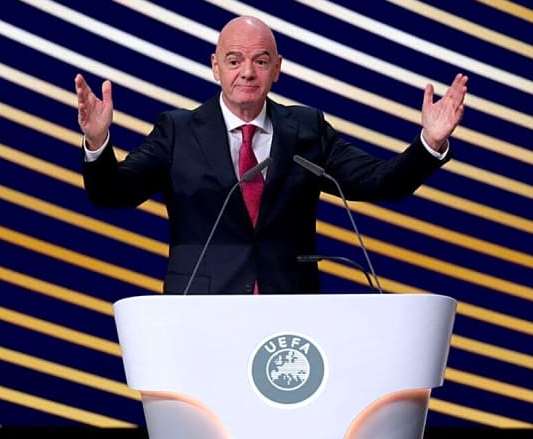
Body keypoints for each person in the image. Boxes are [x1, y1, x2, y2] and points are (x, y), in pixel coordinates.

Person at [75, 15, 468, 295]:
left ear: (277, 69)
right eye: (234, 61)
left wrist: (429, 143)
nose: (247, 72)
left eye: (260, 61)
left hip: (290, 312)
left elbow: (379, 182)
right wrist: (98, 142)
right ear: (215, 67)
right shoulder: (177, 131)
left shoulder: (307, 129)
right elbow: (113, 193)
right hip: (201, 312)